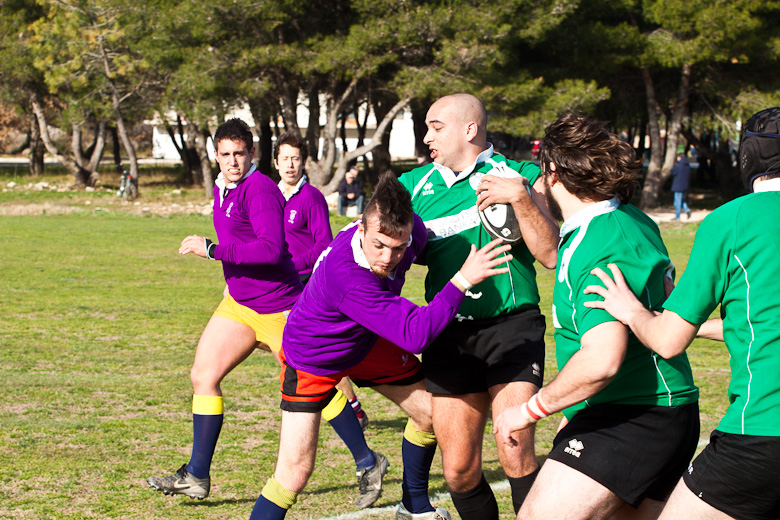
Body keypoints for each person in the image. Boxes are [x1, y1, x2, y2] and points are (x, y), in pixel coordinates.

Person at [248, 174, 515, 520]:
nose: (388, 258)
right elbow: (415, 334)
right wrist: (462, 280)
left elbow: (428, 238)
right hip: (313, 356)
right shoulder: (346, 276)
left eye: (399, 248)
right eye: (378, 245)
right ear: (360, 227)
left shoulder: (408, 231)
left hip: (362, 340)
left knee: (430, 415)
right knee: (294, 472)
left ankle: (413, 506)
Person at [146, 119, 371, 504]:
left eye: (239, 153)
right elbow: (242, 241)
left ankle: (368, 460)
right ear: (215, 155)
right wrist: (230, 276)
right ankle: (197, 474)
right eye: (225, 154)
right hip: (239, 304)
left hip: (278, 307)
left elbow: (270, 249)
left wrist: (213, 250)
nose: (232, 161)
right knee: (203, 374)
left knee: (313, 385)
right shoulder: (222, 188)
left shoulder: (260, 190)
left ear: (252, 153)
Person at [493, 113, 700, 520]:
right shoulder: (628, 218)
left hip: (634, 415)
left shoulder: (598, 242)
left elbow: (603, 359)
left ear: (553, 173)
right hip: (659, 412)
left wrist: (528, 409)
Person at [583, 106, 780, 520]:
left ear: (748, 157)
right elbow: (762, 320)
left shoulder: (732, 221)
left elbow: (667, 341)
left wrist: (633, 311)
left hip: (762, 431)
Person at [397, 93, 559, 520]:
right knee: (459, 471)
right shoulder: (413, 188)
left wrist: (522, 199)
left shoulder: (519, 174)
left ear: (470, 130)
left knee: (515, 450)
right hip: (448, 332)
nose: (427, 136)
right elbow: (383, 252)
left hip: (512, 329)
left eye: (436, 127)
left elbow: (551, 254)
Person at [275, 130, 369, 427]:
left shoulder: (312, 198)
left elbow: (322, 245)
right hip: (274, 287)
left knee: (312, 358)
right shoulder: (268, 196)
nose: (290, 164)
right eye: (285, 159)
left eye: (296, 159)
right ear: (275, 162)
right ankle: (346, 406)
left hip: (303, 287)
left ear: (303, 163)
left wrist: (290, 265)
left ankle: (349, 406)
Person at [670, 154, 692, 220]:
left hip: (678, 186)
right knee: (680, 200)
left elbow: (672, 172)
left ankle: (677, 216)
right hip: (685, 186)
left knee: (677, 202)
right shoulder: (688, 166)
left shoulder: (678, 166)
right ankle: (687, 210)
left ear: (679, 158)